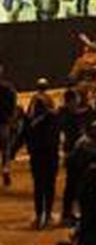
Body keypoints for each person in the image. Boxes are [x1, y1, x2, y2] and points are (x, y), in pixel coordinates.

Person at [22, 83, 62, 228]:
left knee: (39, 186)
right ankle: (47, 214)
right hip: (50, 156)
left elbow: (23, 136)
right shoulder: (52, 117)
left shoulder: (30, 119)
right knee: (49, 185)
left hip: (37, 156)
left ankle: (40, 215)